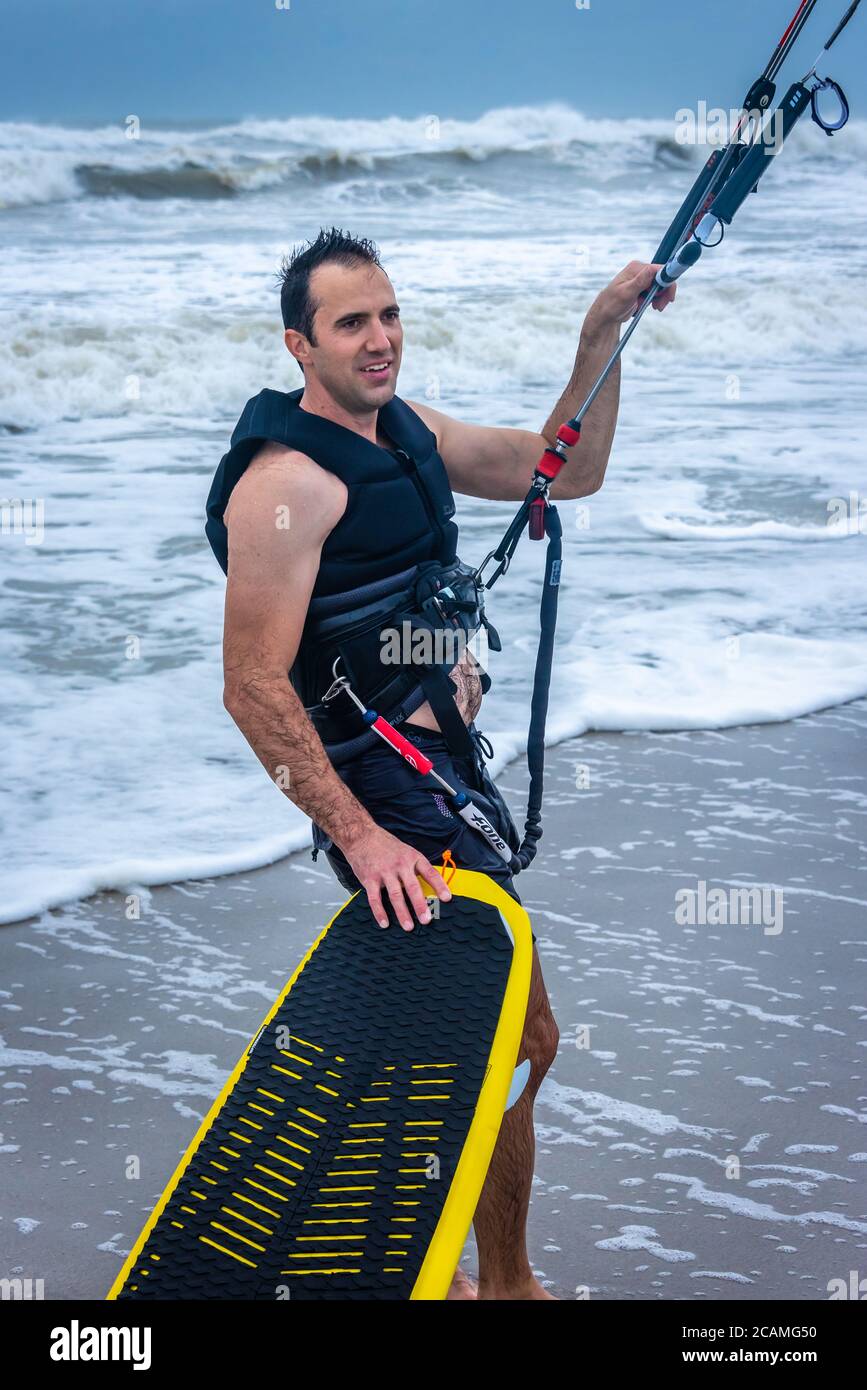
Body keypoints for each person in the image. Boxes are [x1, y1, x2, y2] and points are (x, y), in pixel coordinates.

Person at [207, 227, 675, 1300]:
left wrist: (601, 336)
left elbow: (570, 468)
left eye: (388, 314)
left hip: (442, 773)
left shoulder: (409, 432)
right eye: (350, 323)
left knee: (453, 1048)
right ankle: (502, 1285)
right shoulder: (282, 490)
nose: (381, 340)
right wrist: (361, 833)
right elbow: (250, 685)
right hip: (389, 800)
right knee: (519, 1035)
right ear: (298, 345)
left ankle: (426, 1265)